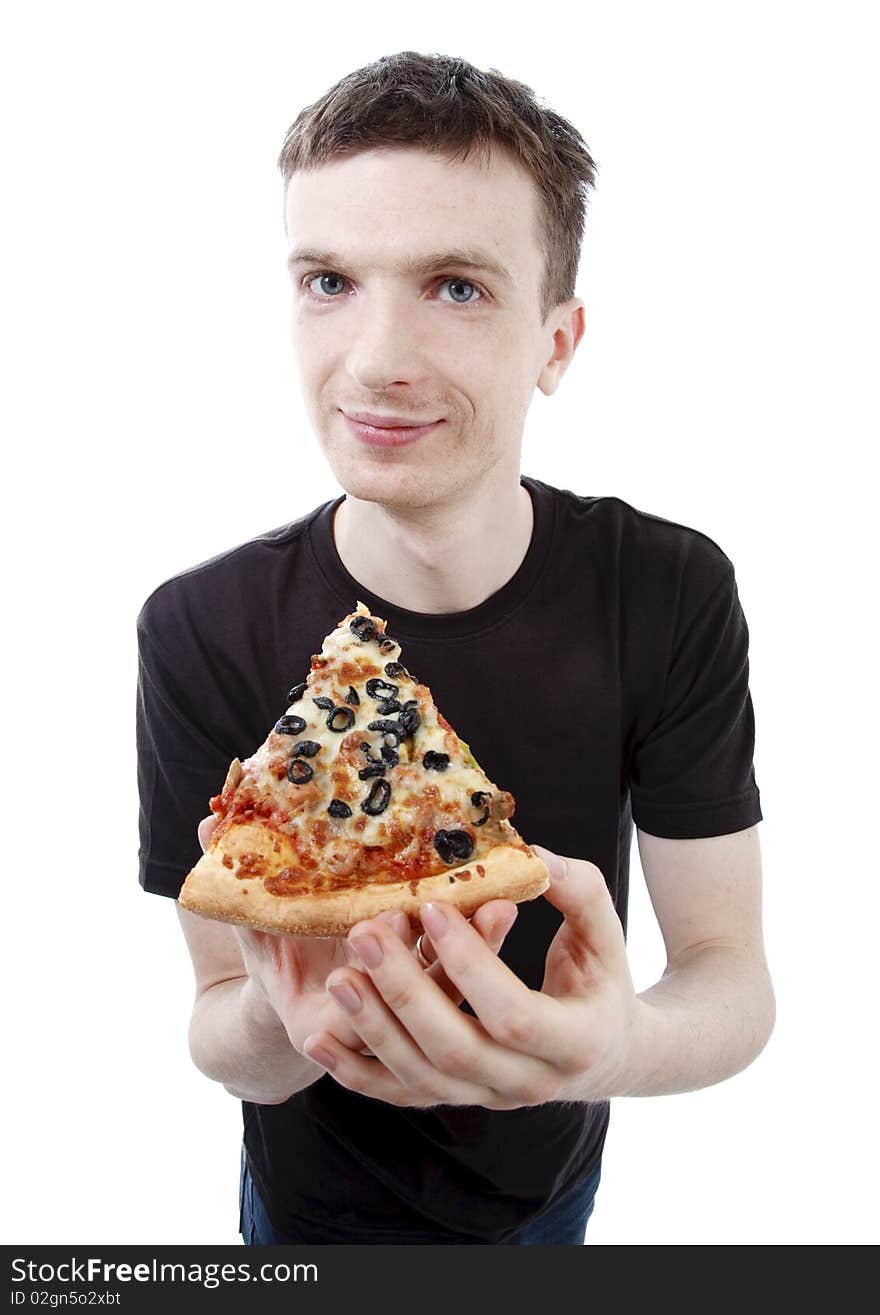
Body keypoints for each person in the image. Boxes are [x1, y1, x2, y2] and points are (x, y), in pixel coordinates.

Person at [136, 50, 775, 1246]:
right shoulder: (198, 626)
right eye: (328, 279)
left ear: (558, 339)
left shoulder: (669, 589)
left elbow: (729, 972)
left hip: (548, 1197)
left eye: (457, 287)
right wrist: (286, 1017)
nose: (376, 356)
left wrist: (622, 1043)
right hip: (299, 1218)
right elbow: (219, 1017)